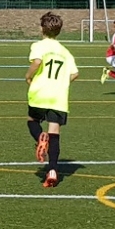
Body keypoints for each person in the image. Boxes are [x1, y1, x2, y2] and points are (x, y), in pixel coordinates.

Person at [25, 12, 79, 188]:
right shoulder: (65, 52)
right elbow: (75, 73)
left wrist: (28, 75)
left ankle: (40, 137)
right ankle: (53, 171)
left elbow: (37, 61)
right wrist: (62, 83)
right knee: (54, 133)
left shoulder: (39, 45)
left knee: (32, 120)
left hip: (40, 93)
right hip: (59, 97)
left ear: (42, 29)